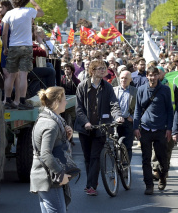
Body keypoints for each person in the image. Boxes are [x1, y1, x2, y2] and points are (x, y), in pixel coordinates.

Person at [75, 59, 123, 196]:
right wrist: (86, 122)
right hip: (85, 128)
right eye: (100, 68)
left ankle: (90, 186)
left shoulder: (107, 87)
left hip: (101, 127)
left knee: (95, 156)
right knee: (87, 158)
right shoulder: (82, 86)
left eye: (104, 68)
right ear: (92, 71)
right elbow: (78, 109)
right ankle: (93, 181)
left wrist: (118, 116)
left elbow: (114, 103)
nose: (104, 71)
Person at [30, 87, 73, 213]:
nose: (66, 102)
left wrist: (66, 138)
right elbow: (45, 154)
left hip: (45, 177)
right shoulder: (51, 124)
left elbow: (51, 148)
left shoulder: (48, 119)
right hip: (49, 178)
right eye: (64, 99)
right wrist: (61, 174)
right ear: (56, 102)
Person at [134, 65, 172, 195]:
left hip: (161, 129)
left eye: (155, 75)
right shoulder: (141, 90)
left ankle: (163, 175)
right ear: (147, 76)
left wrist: (169, 129)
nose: (153, 77)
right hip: (145, 129)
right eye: (150, 75)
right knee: (146, 159)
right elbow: (137, 109)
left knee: (162, 158)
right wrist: (135, 127)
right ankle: (149, 185)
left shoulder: (165, 90)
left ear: (158, 76)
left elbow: (169, 111)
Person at [2, 0, 44, 109]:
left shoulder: (9, 14)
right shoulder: (29, 11)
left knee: (10, 75)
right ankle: (21, 101)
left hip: (13, 46)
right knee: (23, 76)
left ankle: (7, 100)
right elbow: (41, 12)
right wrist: (33, 1)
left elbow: (4, 33)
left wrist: (6, 48)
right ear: (25, 1)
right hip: (26, 46)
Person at [113, 70, 137, 162]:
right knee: (116, 146)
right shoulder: (113, 90)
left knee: (127, 146)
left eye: (126, 78)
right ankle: (116, 168)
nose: (123, 80)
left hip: (128, 121)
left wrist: (133, 117)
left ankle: (126, 168)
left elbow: (139, 107)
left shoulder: (135, 91)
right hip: (116, 121)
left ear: (130, 80)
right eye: (122, 78)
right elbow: (110, 105)